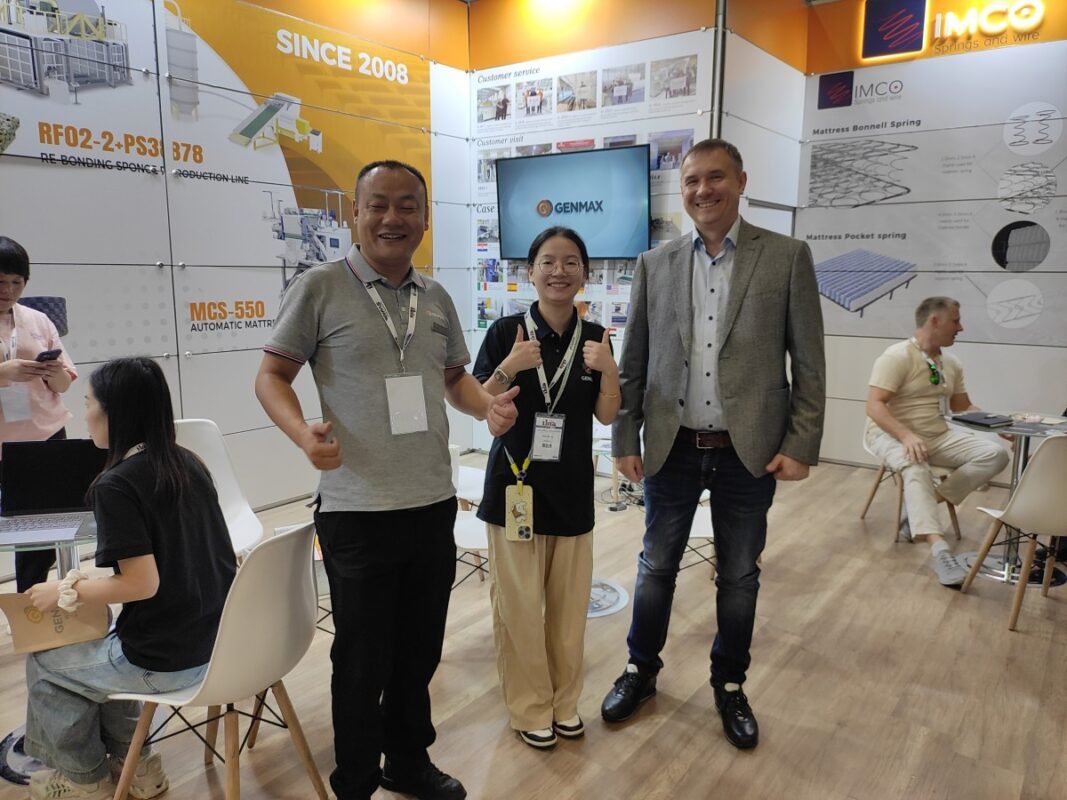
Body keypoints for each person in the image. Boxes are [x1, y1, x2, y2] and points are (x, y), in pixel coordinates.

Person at [255, 159, 519, 800]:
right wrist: (303, 435)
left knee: (419, 649)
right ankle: (355, 778)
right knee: (361, 656)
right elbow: (271, 377)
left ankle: (407, 760)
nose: (392, 218)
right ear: (356, 212)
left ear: (425, 219)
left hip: (431, 501)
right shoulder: (319, 287)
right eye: (378, 204)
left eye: (407, 206)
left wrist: (486, 406)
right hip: (356, 509)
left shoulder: (436, 298)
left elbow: (453, 379)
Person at [601, 138, 826, 750]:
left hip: (747, 449)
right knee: (655, 566)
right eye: (692, 180)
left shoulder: (786, 257)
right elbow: (634, 360)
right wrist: (624, 437)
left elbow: (809, 360)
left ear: (741, 182)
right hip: (671, 444)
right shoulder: (656, 263)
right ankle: (640, 670)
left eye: (716, 177)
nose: (703, 190)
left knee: (739, 575)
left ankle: (729, 684)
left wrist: (802, 441)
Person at [23, 357, 236, 800]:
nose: (84, 414)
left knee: (46, 664)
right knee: (99, 652)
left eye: (87, 403)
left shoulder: (116, 485)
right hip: (222, 645)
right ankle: (139, 767)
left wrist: (64, 589)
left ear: (112, 413)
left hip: (168, 661)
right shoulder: (188, 462)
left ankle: (85, 780)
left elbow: (142, 584)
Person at [473, 227, 619, 749]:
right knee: (517, 609)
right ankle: (530, 707)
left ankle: (564, 703)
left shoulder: (596, 337)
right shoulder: (505, 331)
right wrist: (509, 368)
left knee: (568, 610)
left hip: (573, 490)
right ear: (530, 271)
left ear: (585, 273)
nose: (560, 271)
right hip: (516, 488)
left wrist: (609, 371)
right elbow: (480, 401)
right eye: (548, 262)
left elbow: (607, 414)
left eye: (571, 262)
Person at [865, 297, 1010, 586]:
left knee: (996, 454)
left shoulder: (951, 363)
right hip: (890, 434)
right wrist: (906, 436)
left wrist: (999, 425)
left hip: (937, 435)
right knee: (915, 464)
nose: (961, 328)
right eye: (955, 321)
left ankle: (922, 506)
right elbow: (874, 405)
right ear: (934, 321)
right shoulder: (896, 356)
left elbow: (962, 406)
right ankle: (940, 550)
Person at [0, 236, 77, 592]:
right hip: (4, 442)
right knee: (15, 526)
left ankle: (33, 602)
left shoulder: (38, 319)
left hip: (44, 436)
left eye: (17, 282)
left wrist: (54, 373)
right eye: (0, 281)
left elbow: (63, 384)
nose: (8, 290)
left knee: (44, 530)